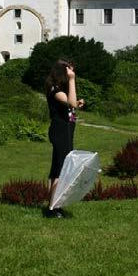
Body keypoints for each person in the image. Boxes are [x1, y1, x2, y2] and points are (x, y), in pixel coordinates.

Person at [45, 59, 84, 218]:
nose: (72, 74)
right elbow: (71, 103)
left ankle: (52, 206)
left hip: (64, 132)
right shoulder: (56, 90)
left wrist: (76, 102)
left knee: (57, 169)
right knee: (61, 170)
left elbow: (72, 104)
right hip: (61, 133)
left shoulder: (59, 89)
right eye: (69, 71)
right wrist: (72, 80)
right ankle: (54, 208)